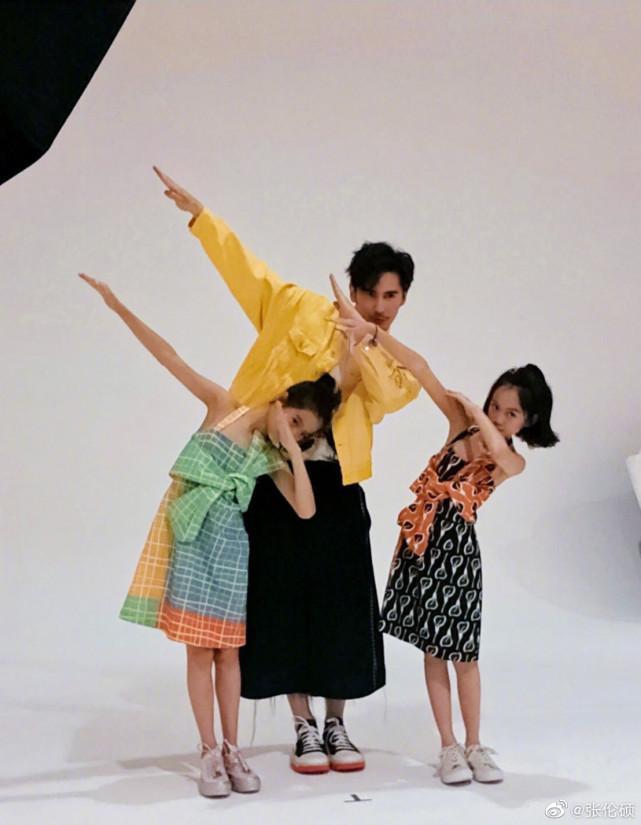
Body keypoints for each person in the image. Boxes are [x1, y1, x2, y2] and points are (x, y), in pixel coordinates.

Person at [153, 166, 420, 773]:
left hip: (337, 484)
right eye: (371, 295)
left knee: (342, 603)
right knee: (281, 599)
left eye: (392, 297)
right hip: (272, 475)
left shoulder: (392, 358)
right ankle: (302, 725)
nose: (380, 307)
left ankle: (337, 723)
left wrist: (367, 343)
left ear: (403, 298)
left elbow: (393, 397)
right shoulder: (299, 308)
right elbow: (247, 274)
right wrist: (202, 218)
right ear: (352, 289)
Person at [79, 273, 340, 797]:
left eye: (303, 432)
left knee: (229, 655)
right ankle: (207, 752)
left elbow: (307, 510)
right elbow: (170, 357)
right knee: (199, 653)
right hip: (192, 542)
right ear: (281, 399)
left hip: (232, 553)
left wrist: (292, 451)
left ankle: (232, 749)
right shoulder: (224, 408)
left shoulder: (270, 457)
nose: (291, 431)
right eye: (292, 420)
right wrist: (117, 305)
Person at [331, 275, 559, 786]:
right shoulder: (460, 426)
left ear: (527, 421)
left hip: (458, 554)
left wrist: (479, 416)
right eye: (495, 405)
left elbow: (499, 455)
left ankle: (476, 743)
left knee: (465, 655)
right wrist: (373, 333)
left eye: (511, 413)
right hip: (421, 545)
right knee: (433, 652)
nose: (498, 416)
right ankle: (448, 746)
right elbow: (420, 367)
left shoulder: (510, 459)